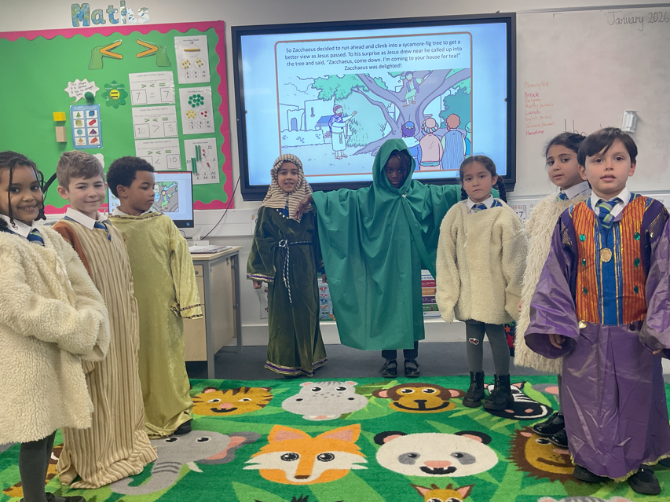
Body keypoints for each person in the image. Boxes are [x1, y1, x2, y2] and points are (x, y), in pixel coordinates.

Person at [525, 128, 670, 495]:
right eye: (598, 159)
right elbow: (556, 274)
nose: (608, 166)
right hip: (586, 329)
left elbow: (665, 272)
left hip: (636, 331)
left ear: (632, 166)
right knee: (587, 397)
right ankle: (591, 458)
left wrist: (659, 325)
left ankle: (639, 462)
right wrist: (554, 321)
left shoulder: (652, 214)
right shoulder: (571, 219)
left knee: (637, 396)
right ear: (584, 170)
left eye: (618, 158)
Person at [295, 139, 492, 378]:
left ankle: (411, 359)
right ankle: (389, 360)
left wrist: (488, 193)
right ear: (381, 170)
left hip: (408, 266)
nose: (395, 175)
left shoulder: (419, 193)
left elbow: (446, 195)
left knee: (409, 310)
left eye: (401, 169)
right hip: (381, 266)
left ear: (409, 168)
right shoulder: (370, 197)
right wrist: (312, 199)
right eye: (389, 170)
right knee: (384, 309)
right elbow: (343, 200)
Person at [0, 151, 109, 502]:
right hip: (25, 357)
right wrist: (77, 327)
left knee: (49, 427)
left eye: (34, 186)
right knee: (34, 430)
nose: (29, 196)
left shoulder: (48, 236)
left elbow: (83, 285)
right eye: (14, 189)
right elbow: (19, 306)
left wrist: (92, 315)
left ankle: (39, 495)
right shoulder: (4, 245)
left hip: (55, 351)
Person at [52, 151, 156, 488]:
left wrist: (131, 323)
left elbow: (125, 280)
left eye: (97, 184)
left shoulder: (108, 226)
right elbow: (65, 291)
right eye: (82, 186)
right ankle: (93, 458)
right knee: (96, 396)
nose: (92, 193)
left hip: (121, 326)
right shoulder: (63, 232)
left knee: (122, 389)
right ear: (64, 191)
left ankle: (124, 446)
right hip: (93, 333)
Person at [107, 157, 202, 439]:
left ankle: (175, 413)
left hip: (162, 310)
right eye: (145, 187)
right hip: (124, 311)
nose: (152, 193)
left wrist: (187, 302)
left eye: (154, 187)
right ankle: (132, 416)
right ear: (122, 191)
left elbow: (182, 262)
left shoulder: (163, 224)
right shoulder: (108, 228)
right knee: (130, 361)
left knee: (167, 361)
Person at [514, 133, 590, 449]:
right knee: (558, 359)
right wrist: (528, 294)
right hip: (544, 295)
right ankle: (563, 413)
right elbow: (533, 252)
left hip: (573, 297)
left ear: (584, 163)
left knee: (578, 363)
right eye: (550, 161)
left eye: (564, 159)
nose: (556, 166)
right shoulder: (547, 205)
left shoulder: (588, 206)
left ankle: (579, 420)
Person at [436, 155, 526, 410]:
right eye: (468, 178)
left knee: (496, 334)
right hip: (469, 292)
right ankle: (475, 382)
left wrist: (515, 294)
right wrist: (449, 292)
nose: (475, 182)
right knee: (473, 336)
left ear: (494, 179)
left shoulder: (504, 215)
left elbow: (516, 259)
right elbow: (445, 255)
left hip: (494, 292)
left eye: (481, 176)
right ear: (462, 183)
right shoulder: (456, 214)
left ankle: (503, 386)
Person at [247, 154, 327, 377]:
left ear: (300, 176)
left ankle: (309, 358)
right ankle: (283, 360)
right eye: (283, 172)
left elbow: (319, 239)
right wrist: (258, 273)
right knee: (281, 316)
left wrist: (324, 267)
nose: (289, 177)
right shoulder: (266, 209)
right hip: (279, 267)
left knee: (307, 312)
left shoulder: (310, 209)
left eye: (294, 172)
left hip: (305, 267)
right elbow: (260, 240)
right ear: (275, 177)